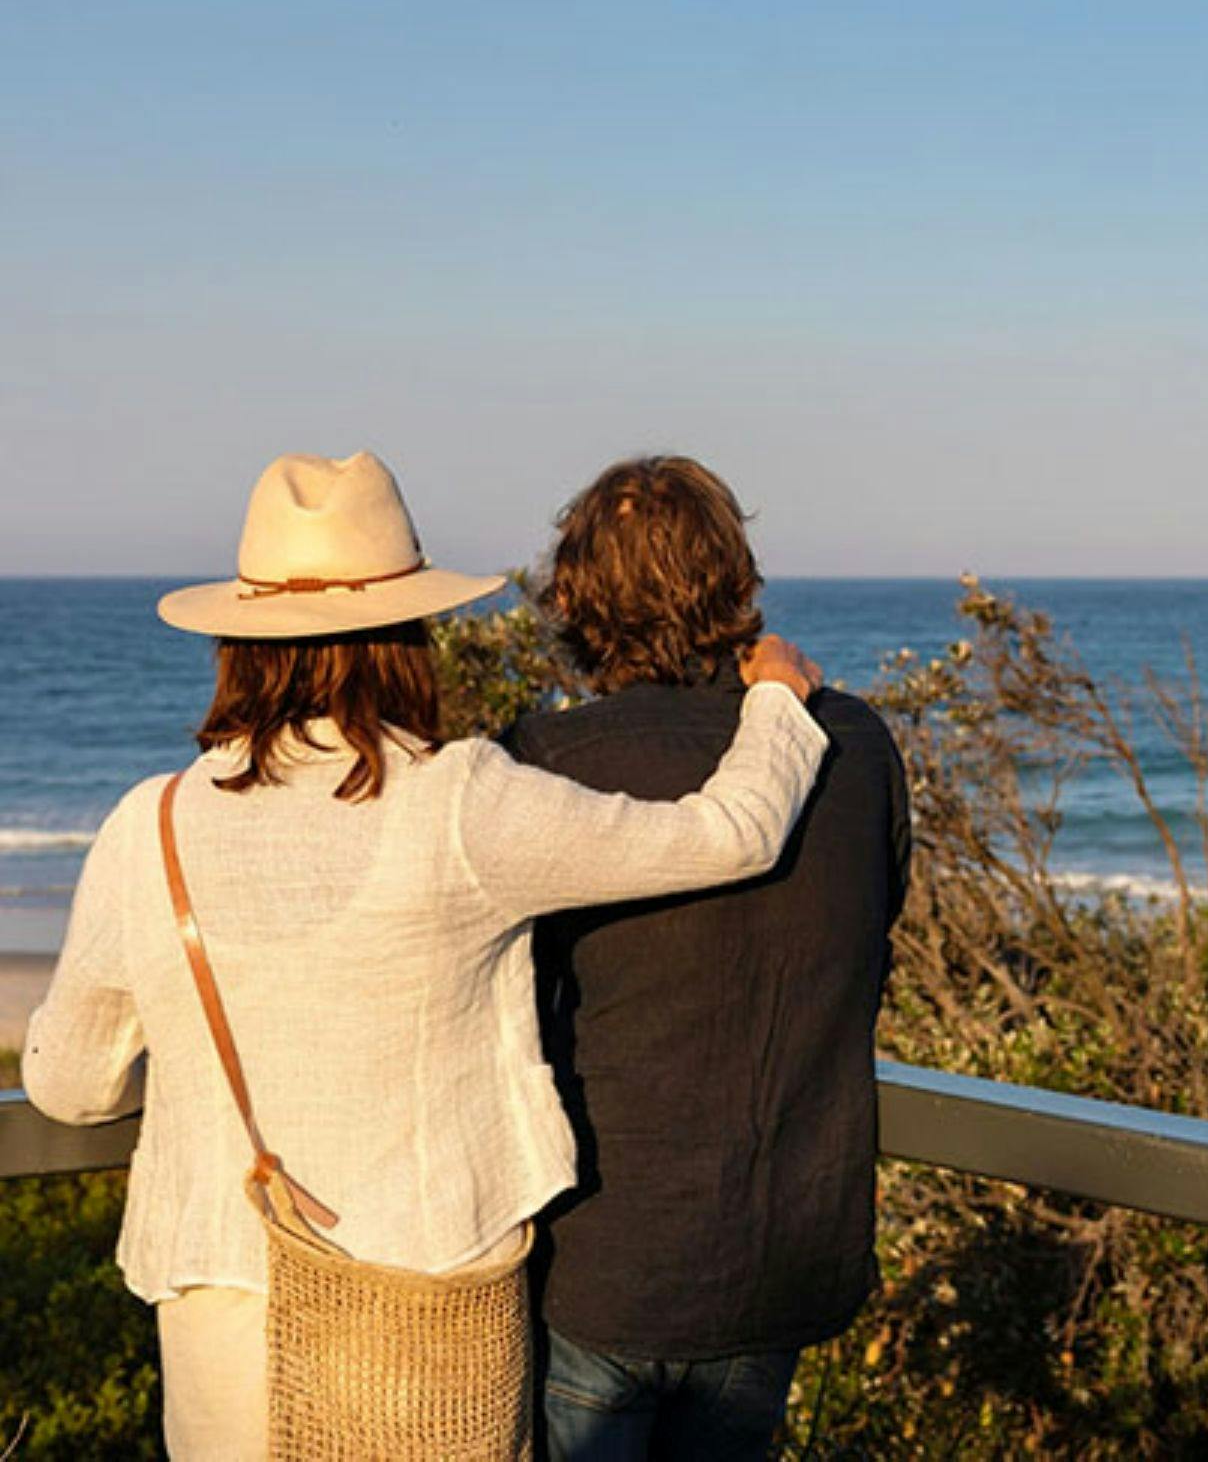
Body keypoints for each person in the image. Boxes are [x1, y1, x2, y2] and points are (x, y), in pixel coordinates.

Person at [23, 451, 831, 1460]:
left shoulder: (149, 827)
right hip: (428, 1319)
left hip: (225, 1311)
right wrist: (777, 703)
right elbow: (729, 837)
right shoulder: (460, 803)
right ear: (408, 632)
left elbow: (71, 1088)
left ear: (238, 641)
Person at [508, 456, 909, 1461]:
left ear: (573, 599)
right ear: (736, 581)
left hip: (600, 1258)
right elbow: (870, 946)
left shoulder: (542, 762)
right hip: (778, 1255)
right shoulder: (855, 747)